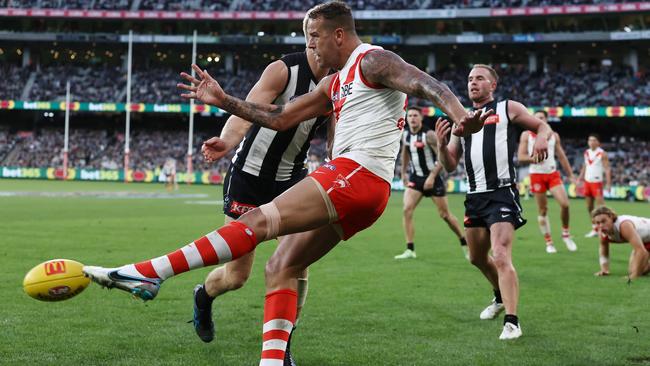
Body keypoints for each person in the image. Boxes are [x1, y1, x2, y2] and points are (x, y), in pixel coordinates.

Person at [83, 2, 488, 364]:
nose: (311, 45)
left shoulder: (372, 59)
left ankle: (150, 273)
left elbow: (423, 82)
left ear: (338, 35)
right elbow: (279, 118)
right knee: (283, 265)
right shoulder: (333, 83)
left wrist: (459, 114)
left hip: (356, 174)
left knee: (258, 223)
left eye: (315, 37)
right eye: (307, 38)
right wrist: (224, 101)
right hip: (364, 189)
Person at [192, 46, 331, 366]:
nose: (316, 43)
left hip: (293, 181)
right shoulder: (283, 70)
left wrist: (335, 164)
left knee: (297, 263)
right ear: (311, 41)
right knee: (237, 276)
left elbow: (334, 135)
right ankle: (204, 295)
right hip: (249, 179)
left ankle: (282, 346)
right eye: (312, 37)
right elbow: (246, 109)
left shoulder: (339, 80)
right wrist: (226, 141)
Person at [435, 64, 551, 340]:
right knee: (476, 257)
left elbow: (542, 125)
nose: (473, 83)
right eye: (470, 79)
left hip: (501, 192)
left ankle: (512, 322)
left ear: (492, 85)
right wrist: (440, 146)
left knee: (500, 254)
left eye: (479, 79)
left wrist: (542, 139)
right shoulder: (460, 118)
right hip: (474, 196)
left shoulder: (507, 108)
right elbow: (450, 165)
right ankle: (499, 298)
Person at [394, 106, 468, 260]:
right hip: (416, 178)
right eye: (410, 116)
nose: (412, 118)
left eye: (415, 116)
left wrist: (432, 177)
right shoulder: (406, 134)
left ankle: (464, 241)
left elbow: (443, 156)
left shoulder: (429, 135)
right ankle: (410, 249)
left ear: (421, 118)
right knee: (407, 209)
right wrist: (403, 173)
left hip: (433, 179)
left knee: (445, 215)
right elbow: (405, 153)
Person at [517, 110, 577, 254]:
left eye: (542, 118)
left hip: (552, 173)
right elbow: (520, 156)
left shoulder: (553, 135)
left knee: (565, 204)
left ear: (547, 119)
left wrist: (570, 175)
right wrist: (534, 158)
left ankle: (566, 234)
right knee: (543, 210)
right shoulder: (526, 135)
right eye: (536, 118)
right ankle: (549, 242)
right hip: (536, 175)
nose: (539, 120)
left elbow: (561, 156)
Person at [591, 206, 650, 279]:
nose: (601, 225)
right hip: (645, 241)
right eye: (598, 223)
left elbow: (641, 251)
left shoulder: (624, 226)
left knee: (635, 271)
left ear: (611, 217)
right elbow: (603, 248)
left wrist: (634, 276)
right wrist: (604, 269)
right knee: (636, 270)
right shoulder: (602, 231)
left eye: (604, 221)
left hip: (646, 241)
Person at [578, 134, 611, 237]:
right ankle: (595, 228)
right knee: (589, 207)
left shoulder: (602, 153)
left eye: (593, 140)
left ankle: (607, 228)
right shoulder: (586, 152)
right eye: (589, 140)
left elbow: (607, 169)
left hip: (597, 182)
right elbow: (585, 166)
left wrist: (608, 183)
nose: (591, 142)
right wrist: (580, 178)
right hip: (587, 182)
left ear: (598, 142)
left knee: (601, 207)